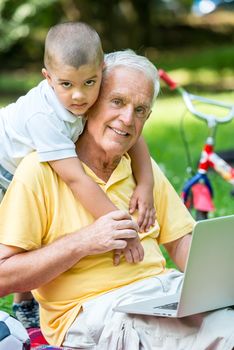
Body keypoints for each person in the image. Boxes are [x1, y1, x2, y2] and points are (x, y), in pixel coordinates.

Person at [1, 50, 234, 349]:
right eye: (117, 102)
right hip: (97, 311)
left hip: (164, 293)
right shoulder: (40, 171)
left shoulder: (141, 172)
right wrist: (84, 241)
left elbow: (181, 242)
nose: (127, 119)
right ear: (91, 102)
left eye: (140, 110)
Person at [0, 22, 156, 327]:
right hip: (1, 166)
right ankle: (23, 304)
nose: (78, 96)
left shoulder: (91, 89)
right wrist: (124, 232)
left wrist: (146, 184)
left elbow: (133, 134)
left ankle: (26, 302)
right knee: (15, 238)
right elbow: (77, 179)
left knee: (41, 222)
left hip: (24, 162)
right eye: (66, 85)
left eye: (89, 82)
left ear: (102, 70)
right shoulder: (45, 117)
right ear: (47, 78)